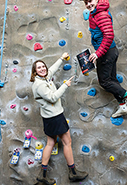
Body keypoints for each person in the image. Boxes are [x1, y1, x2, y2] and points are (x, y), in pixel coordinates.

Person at [30, 53, 88, 185]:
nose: (43, 69)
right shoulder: (40, 85)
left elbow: (51, 70)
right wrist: (65, 85)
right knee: (67, 142)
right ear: (34, 72)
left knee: (50, 143)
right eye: (39, 68)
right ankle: (73, 173)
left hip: (50, 117)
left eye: (43, 66)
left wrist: (61, 59)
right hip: (55, 117)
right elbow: (53, 97)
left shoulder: (43, 79)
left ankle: (42, 175)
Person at [80, 0, 127, 118]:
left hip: (105, 52)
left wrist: (97, 53)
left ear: (96, 0)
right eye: (86, 3)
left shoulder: (100, 14)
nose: (88, 5)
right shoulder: (97, 11)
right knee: (111, 80)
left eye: (90, 1)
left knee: (105, 82)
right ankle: (122, 105)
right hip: (108, 51)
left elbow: (108, 35)